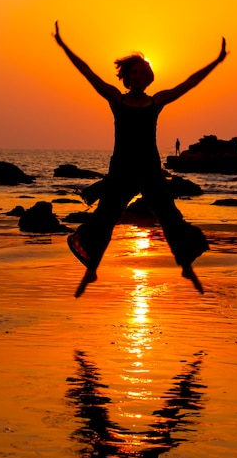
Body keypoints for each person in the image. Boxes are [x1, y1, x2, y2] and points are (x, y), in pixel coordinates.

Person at [53, 21, 227, 296]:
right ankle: (91, 268)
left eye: (141, 73)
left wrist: (216, 61)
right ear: (127, 77)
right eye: (132, 73)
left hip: (149, 167)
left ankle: (187, 266)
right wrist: (64, 47)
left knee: (169, 216)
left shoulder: (155, 101)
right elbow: (89, 74)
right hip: (121, 167)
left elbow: (188, 84)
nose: (136, 77)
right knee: (105, 217)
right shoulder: (117, 100)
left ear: (148, 77)